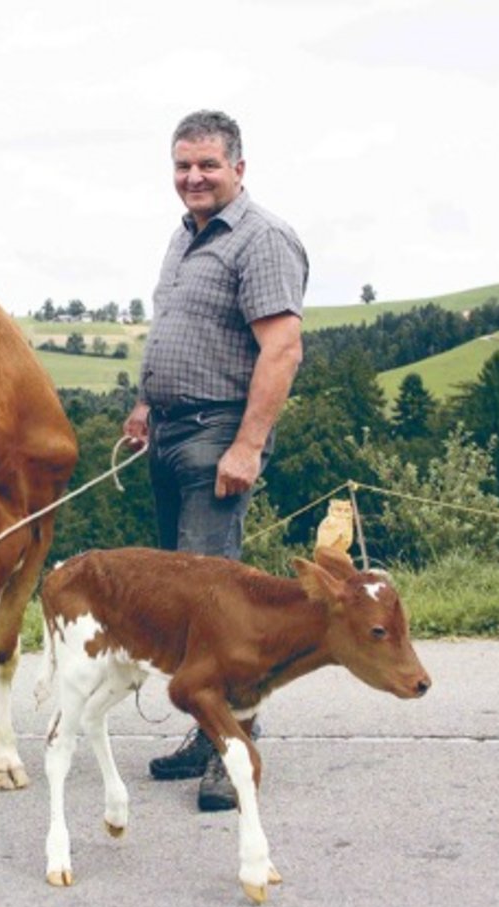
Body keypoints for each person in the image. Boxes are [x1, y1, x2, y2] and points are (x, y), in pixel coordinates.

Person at [124, 109, 307, 812]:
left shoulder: (261, 240)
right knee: (185, 603)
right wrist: (145, 404)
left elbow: (282, 349)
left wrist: (249, 444)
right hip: (170, 432)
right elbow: (177, 330)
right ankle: (207, 731)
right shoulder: (185, 237)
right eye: (182, 165)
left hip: (217, 436)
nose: (192, 177)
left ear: (239, 167)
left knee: (218, 603)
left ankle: (237, 750)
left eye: (206, 164)